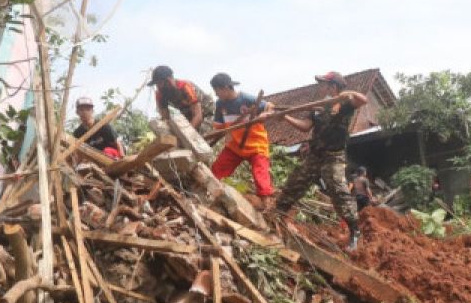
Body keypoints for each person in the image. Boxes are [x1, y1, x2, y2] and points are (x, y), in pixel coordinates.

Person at [275, 71, 369, 251]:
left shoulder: (345, 103)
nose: (321, 87)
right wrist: (285, 117)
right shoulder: (318, 106)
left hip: (334, 156)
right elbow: (305, 127)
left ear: (333, 86)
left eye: (324, 84)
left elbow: (363, 100)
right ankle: (278, 214)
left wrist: (346, 94)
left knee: (337, 189)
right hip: (315, 155)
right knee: (296, 182)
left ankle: (354, 231)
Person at [208, 73, 275, 204]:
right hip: (236, 145)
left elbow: (270, 106)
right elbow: (218, 125)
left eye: (217, 91)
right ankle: (209, 193)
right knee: (217, 170)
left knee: (261, 175)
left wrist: (265, 114)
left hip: (256, 144)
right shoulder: (220, 104)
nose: (216, 94)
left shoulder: (245, 98)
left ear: (226, 88)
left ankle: (267, 203)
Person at [151, 65, 214, 134]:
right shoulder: (160, 94)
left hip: (208, 111)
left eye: (160, 83)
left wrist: (187, 134)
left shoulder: (185, 86)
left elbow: (198, 116)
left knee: (201, 136)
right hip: (189, 114)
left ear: (168, 80)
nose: (158, 86)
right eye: (156, 84)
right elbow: (166, 119)